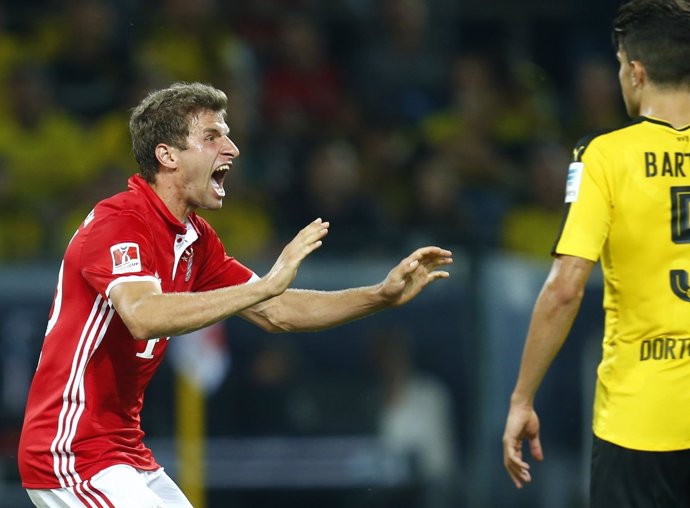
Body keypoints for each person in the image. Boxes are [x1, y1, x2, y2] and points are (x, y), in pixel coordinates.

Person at [17, 81, 453, 508]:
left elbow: (277, 311)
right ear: (166, 155)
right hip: (70, 451)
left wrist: (379, 296)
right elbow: (144, 314)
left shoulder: (195, 239)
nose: (232, 149)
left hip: (123, 452)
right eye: (212, 137)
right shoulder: (119, 221)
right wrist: (264, 285)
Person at [502, 1, 690, 506]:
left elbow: (565, 289)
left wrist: (522, 397)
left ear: (635, 71)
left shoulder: (602, 156)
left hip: (642, 419)